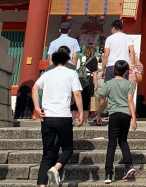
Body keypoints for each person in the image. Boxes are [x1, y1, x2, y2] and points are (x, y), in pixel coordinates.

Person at [33, 49, 84, 187]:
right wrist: (81, 112)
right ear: (67, 61)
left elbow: (35, 88)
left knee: (47, 154)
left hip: (47, 117)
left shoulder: (47, 74)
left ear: (53, 61)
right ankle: (55, 169)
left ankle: (42, 185)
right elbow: (77, 94)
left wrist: (37, 108)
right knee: (67, 149)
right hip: (63, 117)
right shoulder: (71, 73)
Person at [96, 59, 138, 183]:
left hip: (114, 114)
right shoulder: (128, 84)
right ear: (126, 72)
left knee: (112, 144)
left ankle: (108, 174)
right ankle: (129, 166)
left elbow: (102, 100)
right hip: (126, 115)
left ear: (114, 70)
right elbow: (130, 101)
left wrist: (98, 114)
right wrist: (134, 118)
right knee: (123, 141)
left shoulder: (108, 84)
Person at [79, 44, 99, 121]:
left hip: (80, 79)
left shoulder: (80, 58)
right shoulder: (93, 59)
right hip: (89, 79)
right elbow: (94, 72)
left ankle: (75, 118)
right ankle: (84, 119)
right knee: (87, 99)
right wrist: (96, 83)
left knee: (79, 98)